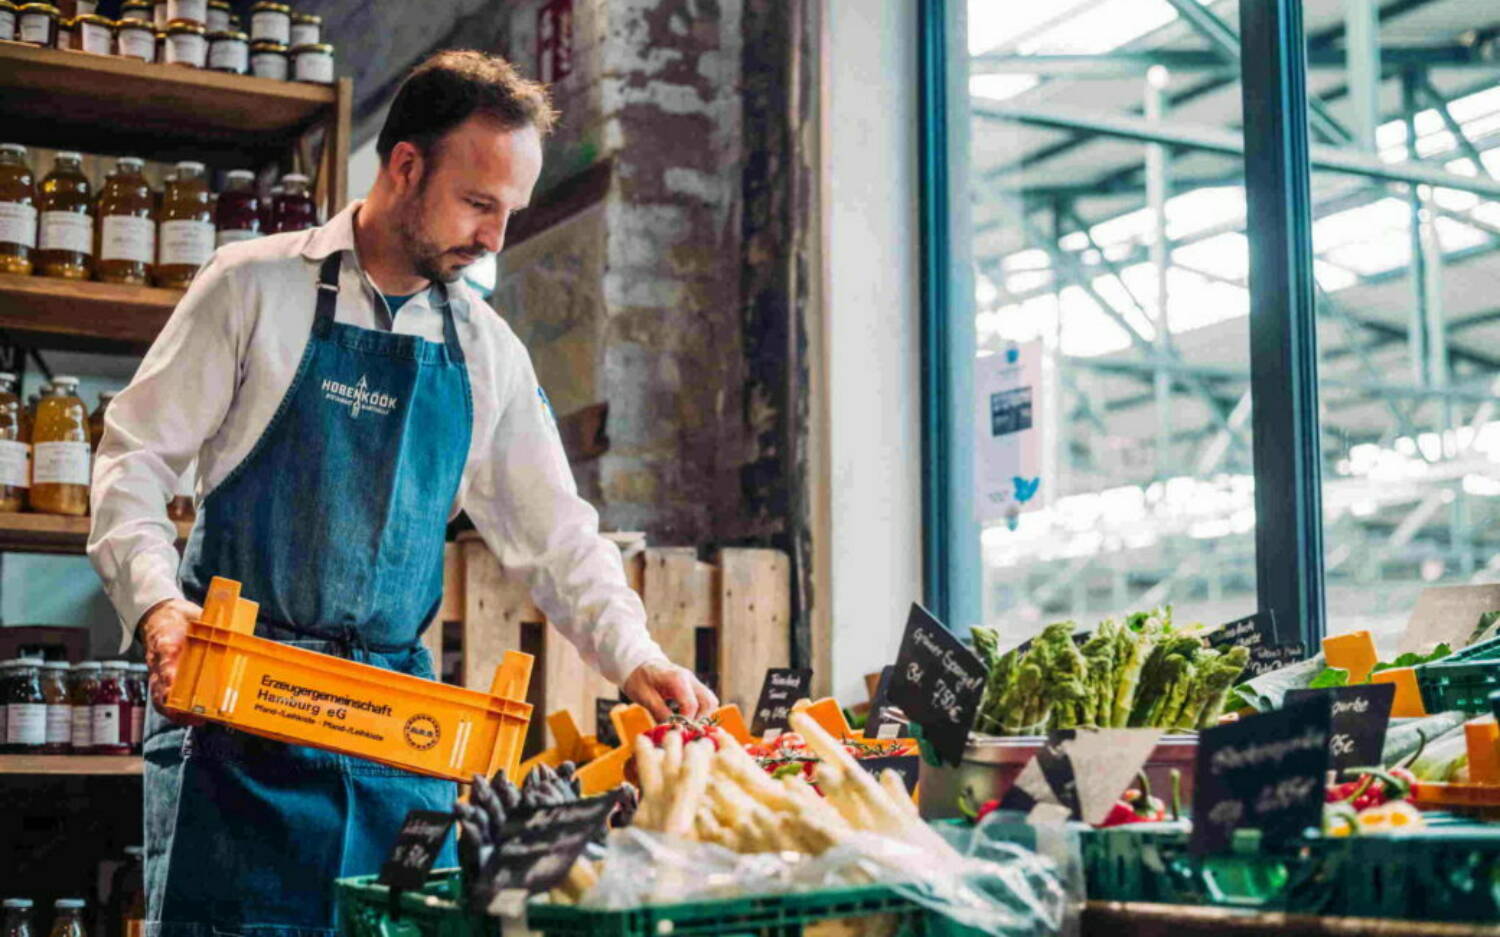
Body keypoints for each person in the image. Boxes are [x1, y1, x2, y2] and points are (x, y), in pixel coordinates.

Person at [87, 50, 716, 937]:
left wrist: (636, 653)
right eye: (478, 203)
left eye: (511, 213)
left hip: (398, 735)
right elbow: (133, 462)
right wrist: (157, 606)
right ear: (406, 166)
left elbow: (558, 535)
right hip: (236, 720)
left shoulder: (488, 352)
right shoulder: (251, 287)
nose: (496, 238)